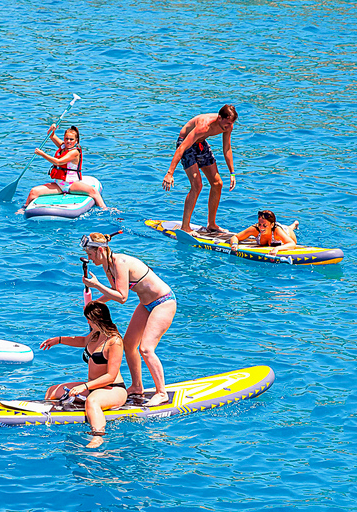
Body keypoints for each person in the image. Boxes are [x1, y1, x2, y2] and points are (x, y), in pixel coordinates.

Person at [80, 232, 176, 407]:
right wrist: (94, 303)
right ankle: (137, 386)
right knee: (129, 344)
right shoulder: (106, 265)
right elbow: (113, 290)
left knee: (146, 349)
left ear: (100, 250)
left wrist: (96, 285)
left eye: (90, 254)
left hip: (163, 302)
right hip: (146, 304)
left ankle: (161, 393)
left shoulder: (120, 262)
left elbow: (122, 297)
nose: (89, 258)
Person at [40, 301, 127, 448]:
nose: (87, 322)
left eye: (89, 319)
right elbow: (82, 341)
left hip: (113, 389)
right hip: (93, 387)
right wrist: (59, 340)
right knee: (52, 391)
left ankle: (98, 436)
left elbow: (111, 376)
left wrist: (84, 386)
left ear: (96, 320)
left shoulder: (115, 342)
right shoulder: (95, 333)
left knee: (92, 402)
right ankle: (47, 418)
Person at [162, 104, 238, 235]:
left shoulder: (228, 126)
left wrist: (232, 172)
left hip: (200, 143)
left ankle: (212, 224)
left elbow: (227, 149)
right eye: (227, 123)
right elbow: (181, 149)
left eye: (231, 123)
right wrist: (170, 173)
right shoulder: (203, 126)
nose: (229, 127)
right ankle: (185, 227)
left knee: (217, 183)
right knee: (197, 185)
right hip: (186, 143)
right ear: (219, 118)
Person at [22, 124, 107, 209]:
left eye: (71, 139)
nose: (68, 141)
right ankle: (23, 209)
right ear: (64, 139)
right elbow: (51, 135)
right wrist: (52, 129)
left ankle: (105, 209)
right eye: (66, 139)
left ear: (76, 141)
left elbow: (58, 162)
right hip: (58, 184)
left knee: (93, 191)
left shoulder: (74, 152)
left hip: (72, 184)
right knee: (33, 192)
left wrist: (42, 154)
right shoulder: (63, 146)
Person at [229, 210, 299, 256]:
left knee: (289, 228)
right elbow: (235, 237)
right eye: (260, 224)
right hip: (275, 229)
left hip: (286, 231)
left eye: (264, 225)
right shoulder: (255, 229)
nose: (261, 228)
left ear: (271, 225)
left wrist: (277, 248)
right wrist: (234, 244)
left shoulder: (277, 231)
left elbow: (292, 244)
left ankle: (294, 225)